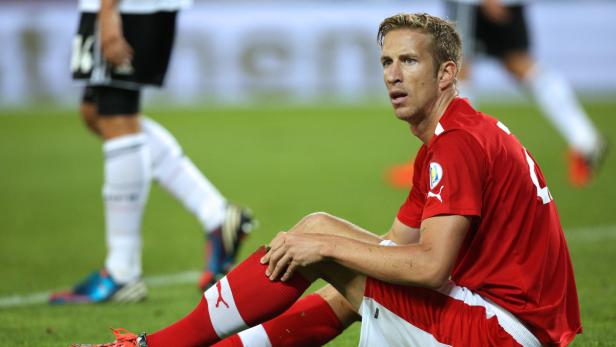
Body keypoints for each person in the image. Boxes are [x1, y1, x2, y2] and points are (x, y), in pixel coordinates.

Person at [72, 12, 581, 346]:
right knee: (337, 268)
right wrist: (325, 251)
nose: (392, 75)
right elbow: (388, 252)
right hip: (510, 321)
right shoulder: (455, 135)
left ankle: (155, 346)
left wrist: (322, 247)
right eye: (386, 61)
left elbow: (428, 267)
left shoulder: (457, 143)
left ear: (447, 73)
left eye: (409, 61)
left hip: (504, 332)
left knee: (323, 240)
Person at [49, 0, 255, 304]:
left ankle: (122, 272)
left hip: (128, 7)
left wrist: (108, 10)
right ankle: (216, 214)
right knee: (96, 112)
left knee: (117, 114)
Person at [447, 0, 607, 187]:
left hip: (474, 5)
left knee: (461, 66)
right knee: (515, 63)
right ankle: (586, 140)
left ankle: (454, 157)